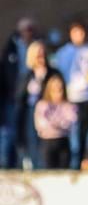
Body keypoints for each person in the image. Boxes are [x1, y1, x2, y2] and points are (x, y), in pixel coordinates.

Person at [53, 20, 88, 167]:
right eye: (76, 32)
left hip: (86, 98)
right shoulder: (63, 52)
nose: (79, 35)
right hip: (68, 98)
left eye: (82, 32)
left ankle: (80, 161)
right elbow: (58, 75)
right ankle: (65, 162)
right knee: (67, 131)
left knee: (83, 132)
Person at [14, 41, 59, 169]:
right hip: (30, 111)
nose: (41, 58)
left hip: (48, 112)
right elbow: (20, 96)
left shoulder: (52, 73)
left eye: (42, 54)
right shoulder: (27, 75)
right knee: (31, 140)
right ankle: (34, 165)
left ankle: (45, 166)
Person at [1, 18, 37, 168]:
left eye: (29, 29)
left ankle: (31, 163)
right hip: (14, 97)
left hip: (32, 97)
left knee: (30, 132)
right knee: (12, 132)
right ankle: (10, 163)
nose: (27, 33)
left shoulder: (36, 46)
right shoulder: (11, 48)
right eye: (24, 29)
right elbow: (6, 72)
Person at [33, 74, 77, 170]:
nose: (58, 92)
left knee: (64, 172)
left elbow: (71, 123)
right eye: (54, 89)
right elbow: (41, 124)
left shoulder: (69, 106)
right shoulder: (42, 105)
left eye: (60, 89)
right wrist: (59, 123)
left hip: (63, 142)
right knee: (49, 172)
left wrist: (54, 122)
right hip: (47, 142)